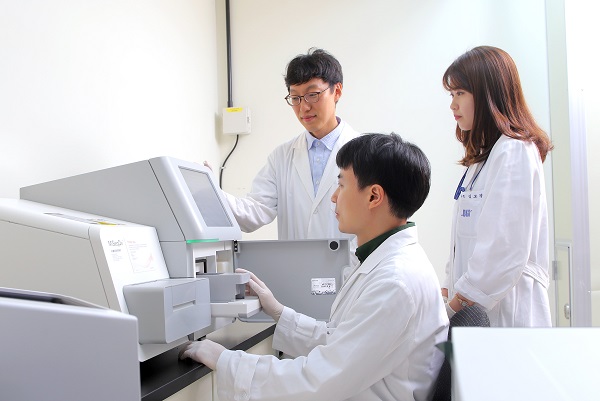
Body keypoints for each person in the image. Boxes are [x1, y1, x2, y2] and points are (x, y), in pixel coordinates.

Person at [181, 133, 449, 401]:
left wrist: (227, 361)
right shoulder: (388, 264)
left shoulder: (394, 282)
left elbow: (321, 379)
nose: (333, 197)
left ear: (373, 196)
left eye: (341, 185)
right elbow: (340, 342)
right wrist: (279, 312)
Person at [441, 45, 554, 327]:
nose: (453, 105)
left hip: (507, 312)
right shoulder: (482, 158)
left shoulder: (514, 151)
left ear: (487, 94)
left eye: (460, 93)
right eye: (451, 95)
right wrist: (445, 290)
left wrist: (452, 308)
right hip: (475, 310)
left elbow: (503, 250)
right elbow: (462, 243)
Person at [222, 48, 359, 249]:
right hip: (296, 266)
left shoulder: (364, 153)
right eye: (295, 98)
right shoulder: (281, 157)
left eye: (312, 95)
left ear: (336, 91)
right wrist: (211, 193)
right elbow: (254, 212)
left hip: (351, 267)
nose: (304, 107)